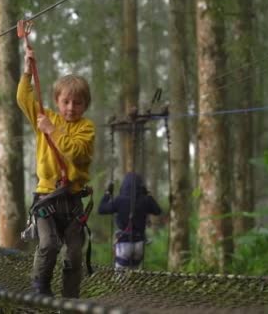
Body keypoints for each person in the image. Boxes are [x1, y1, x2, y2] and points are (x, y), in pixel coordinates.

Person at [17, 44, 95, 298]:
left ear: (85, 105)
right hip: (47, 198)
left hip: (72, 200)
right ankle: (40, 287)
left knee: (73, 253)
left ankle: (70, 298)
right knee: (49, 245)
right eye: (66, 101)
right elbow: (23, 98)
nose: (71, 107)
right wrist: (27, 72)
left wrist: (52, 130)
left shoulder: (86, 129)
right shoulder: (46, 117)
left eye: (77, 102)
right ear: (57, 101)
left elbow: (75, 152)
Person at [98, 172, 162, 269]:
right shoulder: (145, 200)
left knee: (121, 279)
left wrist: (108, 193)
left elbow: (101, 209)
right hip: (139, 244)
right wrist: (148, 194)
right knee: (134, 276)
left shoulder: (119, 200)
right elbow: (157, 211)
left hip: (124, 243)